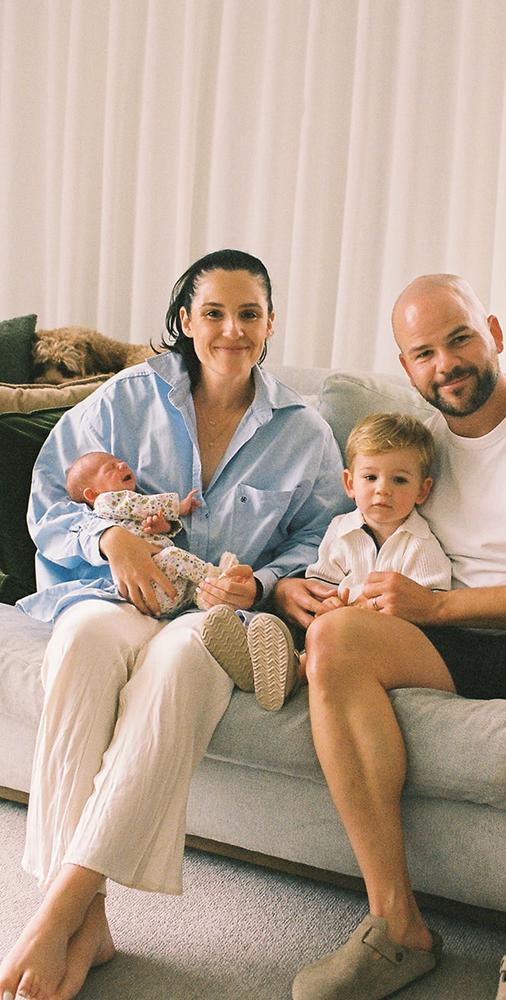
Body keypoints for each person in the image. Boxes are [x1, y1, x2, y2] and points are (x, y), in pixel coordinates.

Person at [277, 274, 506, 1000]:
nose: (444, 363)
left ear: (495, 333)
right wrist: (296, 584)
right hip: (451, 638)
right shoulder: (420, 448)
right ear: (406, 368)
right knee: (335, 642)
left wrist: (438, 610)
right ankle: (397, 927)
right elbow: (360, 533)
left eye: (459, 339)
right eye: (422, 353)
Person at [0, 249, 347, 1000]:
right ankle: (88, 921)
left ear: (270, 323)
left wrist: (267, 579)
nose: (231, 329)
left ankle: (56, 910)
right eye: (214, 313)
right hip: (112, 593)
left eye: (248, 314)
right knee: (85, 644)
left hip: (216, 614)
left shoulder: (304, 431)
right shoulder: (126, 398)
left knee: (181, 666)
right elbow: (47, 501)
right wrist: (110, 537)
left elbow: (321, 540)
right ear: (186, 321)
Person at [203, 411, 452, 711]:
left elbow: (430, 615)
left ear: (422, 490)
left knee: (328, 635)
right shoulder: (340, 529)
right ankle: (252, 650)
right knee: (297, 622)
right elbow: (321, 583)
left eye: (399, 480)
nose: (382, 489)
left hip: (387, 644)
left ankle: (290, 672)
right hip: (329, 629)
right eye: (370, 477)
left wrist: (360, 614)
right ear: (349, 483)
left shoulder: (421, 545)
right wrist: (329, 603)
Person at [65, 449, 240, 616]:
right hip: (150, 584)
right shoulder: (107, 501)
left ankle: (205, 599)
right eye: (110, 468)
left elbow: (155, 533)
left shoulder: (126, 516)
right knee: (173, 555)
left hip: (163, 593)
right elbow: (141, 504)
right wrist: (178, 507)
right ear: (92, 494)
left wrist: (163, 527)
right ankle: (217, 577)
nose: (123, 465)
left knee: (184, 575)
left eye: (120, 462)